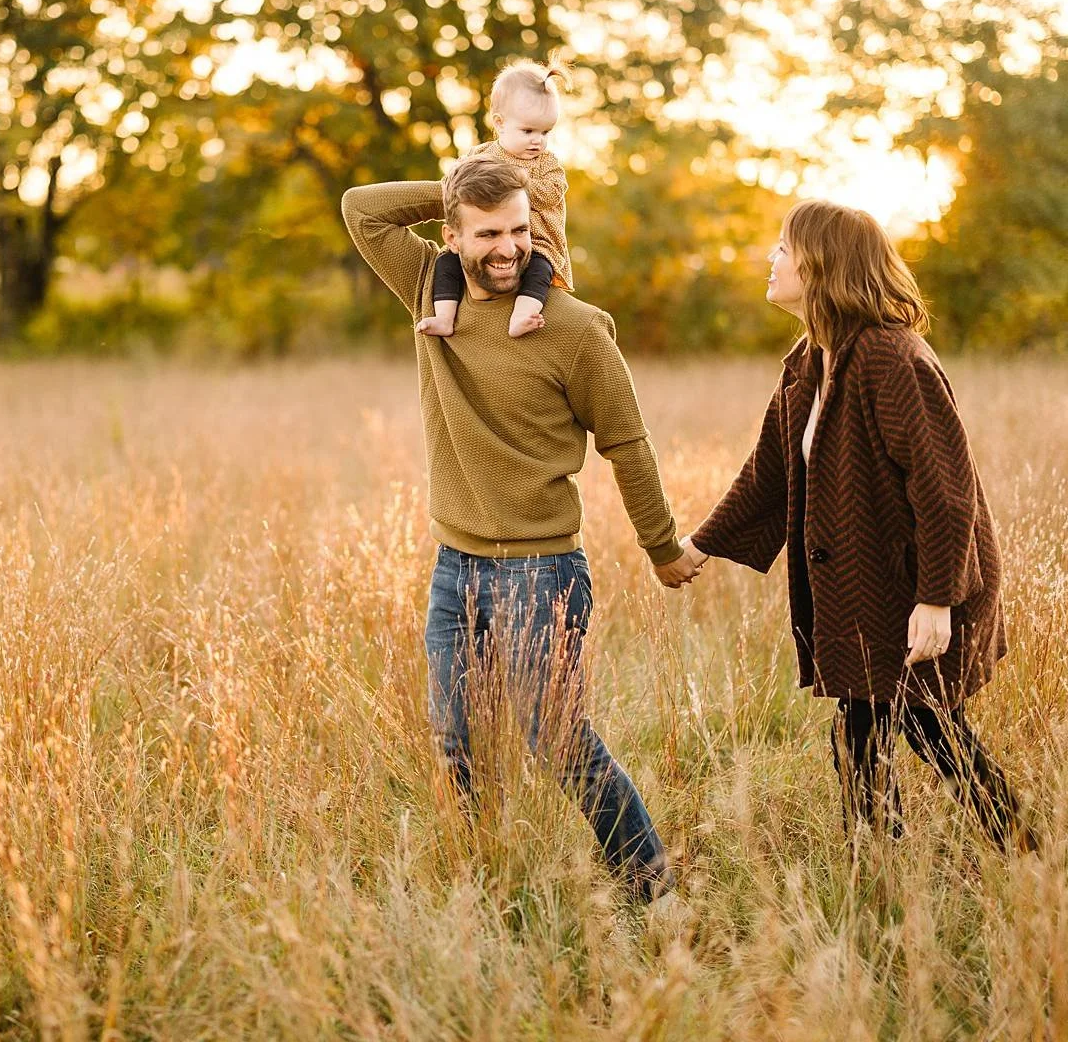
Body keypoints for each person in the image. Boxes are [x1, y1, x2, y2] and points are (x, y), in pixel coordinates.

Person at [340, 157, 706, 902]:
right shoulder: (426, 286)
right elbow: (361, 207)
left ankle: (650, 886)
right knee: (457, 743)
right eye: (487, 233)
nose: (508, 248)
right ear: (451, 235)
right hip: (455, 566)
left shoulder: (573, 328)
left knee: (559, 743)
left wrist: (662, 547)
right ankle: (486, 885)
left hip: (541, 571)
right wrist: (468, 171)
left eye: (520, 228)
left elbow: (627, 443)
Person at [688, 199, 1028, 851]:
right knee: (865, 734)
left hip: (915, 587)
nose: (771, 257)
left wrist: (936, 600)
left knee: (929, 730)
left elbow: (946, 493)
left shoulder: (890, 358)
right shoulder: (809, 360)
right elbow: (769, 473)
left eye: (784, 248)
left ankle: (1020, 848)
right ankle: (881, 865)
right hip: (867, 594)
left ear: (823, 266)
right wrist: (697, 545)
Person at [415, 58, 571, 340]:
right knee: (446, 261)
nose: (538, 141)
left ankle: (523, 315)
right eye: (528, 131)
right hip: (487, 244)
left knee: (539, 269)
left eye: (545, 132)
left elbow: (551, 194)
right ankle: (444, 318)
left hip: (537, 243)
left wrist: (512, 181)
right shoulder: (479, 157)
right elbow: (454, 186)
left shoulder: (548, 164)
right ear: (499, 124)